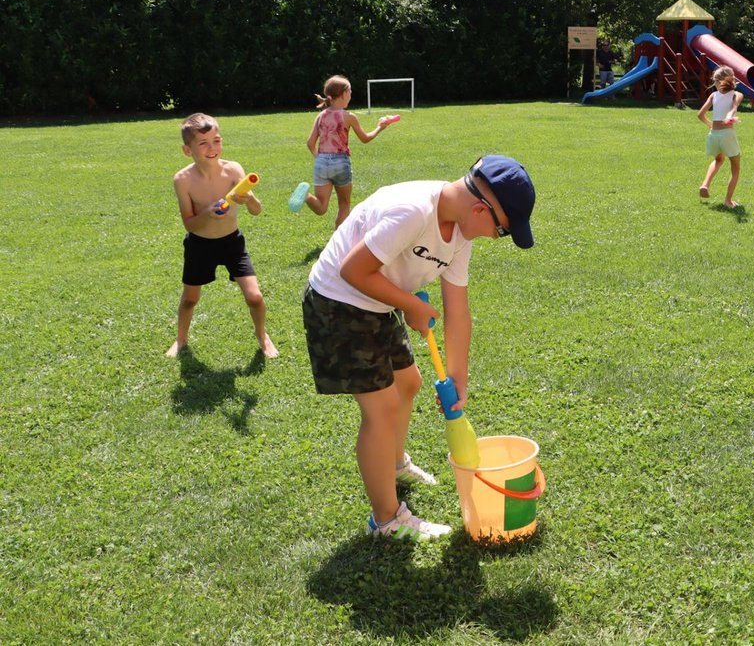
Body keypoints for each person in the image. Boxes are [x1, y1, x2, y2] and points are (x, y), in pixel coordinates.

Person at [302, 155, 536, 542]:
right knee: (382, 407)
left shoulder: (461, 233)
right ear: (481, 209)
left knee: (407, 384)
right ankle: (386, 519)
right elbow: (352, 271)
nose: (497, 238)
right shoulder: (412, 211)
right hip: (337, 301)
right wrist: (410, 304)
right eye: (502, 231)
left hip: (378, 300)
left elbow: (457, 311)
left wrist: (459, 379)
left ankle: (393, 464)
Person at [166, 113, 277, 359]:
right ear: (187, 150)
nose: (212, 148)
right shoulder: (183, 180)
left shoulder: (233, 170)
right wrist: (207, 213)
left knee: (255, 297)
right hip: (199, 245)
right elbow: (190, 225)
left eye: (216, 140)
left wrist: (250, 199)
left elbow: (257, 211)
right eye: (203, 143)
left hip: (232, 243)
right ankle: (181, 339)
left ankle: (262, 335)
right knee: (190, 300)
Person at [296, 75, 397, 228]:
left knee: (321, 207)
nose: (351, 94)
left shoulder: (320, 116)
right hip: (340, 163)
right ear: (343, 94)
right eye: (349, 91)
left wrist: (320, 158)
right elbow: (365, 138)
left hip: (321, 162)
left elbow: (310, 143)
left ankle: (306, 196)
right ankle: (339, 240)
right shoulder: (349, 117)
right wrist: (380, 127)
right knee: (344, 204)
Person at [697, 67, 744, 208]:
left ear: (716, 81)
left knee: (718, 160)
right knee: (735, 168)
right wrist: (729, 117)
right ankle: (728, 201)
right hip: (727, 134)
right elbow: (733, 108)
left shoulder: (713, 96)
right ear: (732, 78)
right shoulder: (737, 94)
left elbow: (700, 115)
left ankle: (705, 184)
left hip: (713, 134)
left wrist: (710, 125)